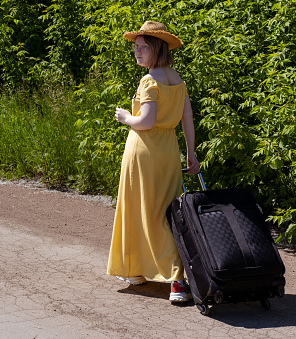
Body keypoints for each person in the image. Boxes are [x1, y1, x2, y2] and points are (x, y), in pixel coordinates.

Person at [107, 21, 200, 302]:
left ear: (156, 48)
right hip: (169, 152)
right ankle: (165, 278)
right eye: (135, 47)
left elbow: (145, 122)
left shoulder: (149, 80)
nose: (136, 52)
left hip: (144, 152)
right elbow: (187, 120)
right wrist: (191, 153)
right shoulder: (178, 80)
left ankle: (159, 276)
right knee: (166, 213)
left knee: (138, 209)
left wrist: (125, 118)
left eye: (142, 47)